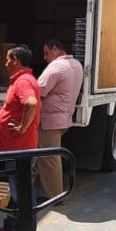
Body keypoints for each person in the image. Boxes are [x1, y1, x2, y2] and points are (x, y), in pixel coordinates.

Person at [0, 45, 41, 231]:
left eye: (8, 59)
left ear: (16, 60)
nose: (6, 62)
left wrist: (23, 127)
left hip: (21, 151)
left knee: (24, 195)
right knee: (15, 192)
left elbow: (31, 102)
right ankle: (11, 227)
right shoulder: (21, 80)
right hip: (14, 150)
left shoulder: (24, 81)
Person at [36, 38, 83, 199]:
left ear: (55, 49)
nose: (45, 57)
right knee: (43, 156)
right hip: (64, 119)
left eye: (46, 53)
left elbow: (38, 89)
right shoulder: (76, 64)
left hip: (50, 121)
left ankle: (54, 196)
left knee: (49, 158)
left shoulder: (56, 67)